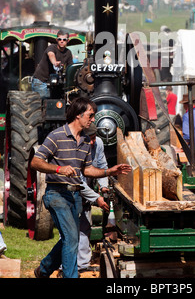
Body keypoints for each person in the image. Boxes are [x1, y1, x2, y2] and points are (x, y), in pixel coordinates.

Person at [30, 97, 131, 279]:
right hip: (57, 194)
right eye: (90, 115)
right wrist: (58, 169)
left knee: (71, 238)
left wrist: (110, 171)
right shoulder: (56, 136)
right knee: (71, 239)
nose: (93, 119)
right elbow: (36, 162)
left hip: (75, 197)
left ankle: (43, 270)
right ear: (78, 115)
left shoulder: (85, 140)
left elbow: (87, 170)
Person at [77, 123, 109, 273]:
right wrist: (96, 198)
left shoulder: (98, 144)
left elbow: (102, 165)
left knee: (84, 227)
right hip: (71, 192)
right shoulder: (74, 147)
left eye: (94, 137)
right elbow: (78, 182)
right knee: (70, 231)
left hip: (87, 191)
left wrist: (104, 186)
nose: (92, 141)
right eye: (89, 138)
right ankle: (63, 265)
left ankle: (82, 265)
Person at [32, 29, 73, 98]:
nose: (62, 41)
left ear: (67, 41)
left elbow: (70, 67)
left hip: (55, 82)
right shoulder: (52, 47)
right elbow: (51, 54)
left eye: (64, 39)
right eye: (59, 39)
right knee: (44, 100)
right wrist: (55, 63)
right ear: (56, 40)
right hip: (41, 81)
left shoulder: (68, 52)